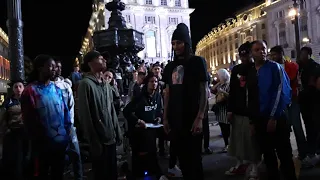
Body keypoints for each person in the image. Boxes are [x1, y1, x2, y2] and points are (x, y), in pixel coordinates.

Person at [163, 23, 208, 180]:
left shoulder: (198, 62)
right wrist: (165, 117)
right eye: (174, 43)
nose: (176, 46)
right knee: (182, 160)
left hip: (193, 117)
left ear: (187, 43)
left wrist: (200, 117)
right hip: (176, 119)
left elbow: (204, 90)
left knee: (195, 159)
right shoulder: (169, 67)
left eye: (179, 43)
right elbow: (168, 93)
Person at [247, 40, 296, 180]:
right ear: (252, 53)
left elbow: (281, 92)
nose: (261, 51)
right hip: (259, 120)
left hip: (277, 119)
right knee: (268, 156)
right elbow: (250, 97)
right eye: (257, 50)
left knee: (285, 155)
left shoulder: (275, 67)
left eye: (263, 48)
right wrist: (252, 121)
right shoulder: (251, 72)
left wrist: (273, 117)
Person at [21, 55, 71, 180]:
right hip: (42, 147)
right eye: (51, 66)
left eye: (55, 67)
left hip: (60, 144)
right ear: (40, 68)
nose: (54, 69)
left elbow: (65, 113)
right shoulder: (30, 91)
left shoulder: (57, 89)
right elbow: (28, 121)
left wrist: (67, 134)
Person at [77, 51, 122, 180]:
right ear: (91, 63)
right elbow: (85, 116)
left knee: (112, 172)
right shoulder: (85, 84)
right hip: (99, 141)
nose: (104, 61)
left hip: (110, 138)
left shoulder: (105, 84)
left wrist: (117, 131)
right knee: (102, 173)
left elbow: (111, 109)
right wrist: (93, 141)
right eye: (100, 59)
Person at [123, 72, 166, 180]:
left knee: (152, 153)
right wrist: (137, 121)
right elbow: (126, 111)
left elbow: (159, 111)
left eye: (156, 82)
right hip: (138, 132)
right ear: (147, 83)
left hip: (151, 130)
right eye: (151, 82)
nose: (154, 84)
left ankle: (153, 173)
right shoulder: (139, 97)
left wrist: (159, 118)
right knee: (139, 157)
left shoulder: (157, 96)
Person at [226, 42, 260, 178]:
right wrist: (230, 109)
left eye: (247, 54)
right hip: (237, 111)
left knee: (252, 141)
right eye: (241, 55)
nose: (244, 57)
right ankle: (240, 163)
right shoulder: (236, 70)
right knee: (237, 140)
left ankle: (254, 166)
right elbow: (232, 91)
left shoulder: (256, 68)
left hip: (251, 112)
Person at [270, 45, 307, 160]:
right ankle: (287, 154)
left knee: (297, 127)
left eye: (274, 54)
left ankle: (303, 153)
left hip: (292, 101)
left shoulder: (292, 66)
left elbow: (289, 80)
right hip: (280, 103)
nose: (272, 57)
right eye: (271, 55)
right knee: (284, 130)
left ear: (281, 53)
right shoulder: (271, 68)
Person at [54, 60, 83, 180]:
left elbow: (71, 105)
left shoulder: (65, 86)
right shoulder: (45, 87)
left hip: (68, 125)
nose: (58, 69)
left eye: (60, 67)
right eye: (56, 67)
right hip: (55, 127)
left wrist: (70, 124)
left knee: (76, 153)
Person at [297, 47, 320, 168]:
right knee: (309, 127)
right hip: (304, 102)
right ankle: (312, 153)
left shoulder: (314, 67)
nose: (301, 56)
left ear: (309, 55)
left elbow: (315, 86)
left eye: (303, 54)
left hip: (314, 103)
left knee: (314, 128)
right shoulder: (301, 67)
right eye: (300, 54)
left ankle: (314, 153)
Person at [2, 81, 29, 180]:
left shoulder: (28, 100)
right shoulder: (8, 102)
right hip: (13, 134)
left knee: (26, 157)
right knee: (16, 159)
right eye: (16, 87)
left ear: (23, 88)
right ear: (13, 89)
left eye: (20, 86)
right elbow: (3, 118)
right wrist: (6, 130)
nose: (18, 89)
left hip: (27, 133)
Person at [211, 69, 230, 152]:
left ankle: (229, 145)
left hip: (226, 109)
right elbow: (212, 90)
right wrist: (219, 83)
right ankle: (226, 144)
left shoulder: (229, 85)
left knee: (227, 129)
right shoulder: (220, 85)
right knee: (222, 128)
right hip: (220, 110)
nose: (217, 77)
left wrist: (223, 92)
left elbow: (231, 96)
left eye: (218, 75)